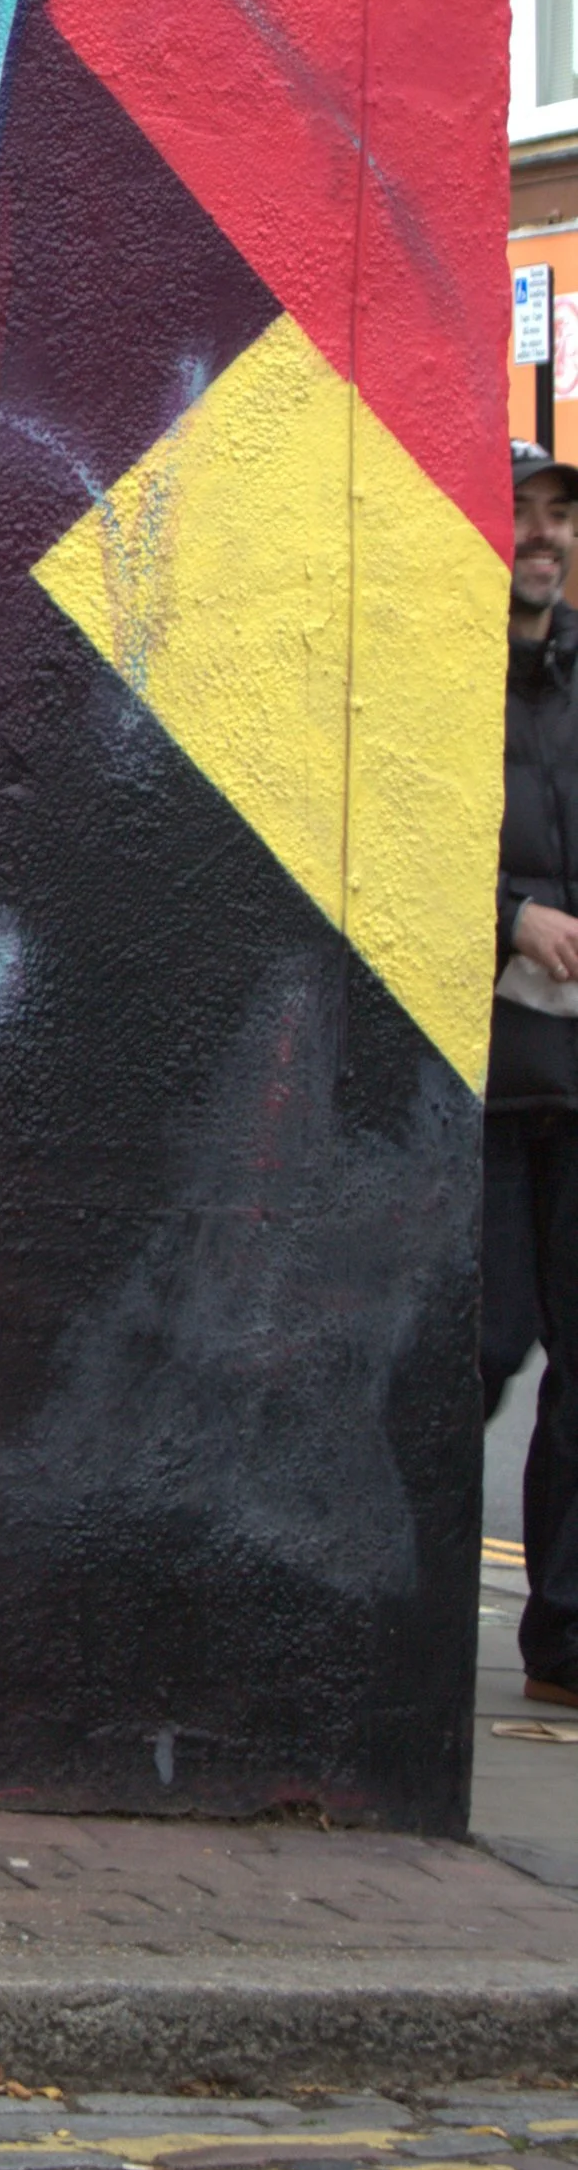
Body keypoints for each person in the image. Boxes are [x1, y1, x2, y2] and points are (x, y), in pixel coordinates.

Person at [490, 437, 578, 1704]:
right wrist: (510, 915)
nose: (544, 533)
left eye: (558, 514)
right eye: (523, 510)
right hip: (479, 1086)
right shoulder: (444, 667)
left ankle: (563, 1642)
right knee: (479, 1346)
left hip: (576, 1074)